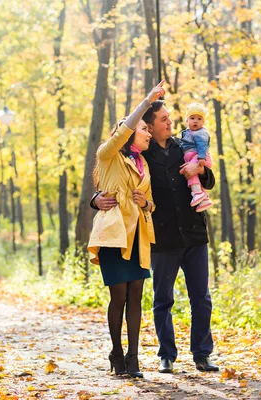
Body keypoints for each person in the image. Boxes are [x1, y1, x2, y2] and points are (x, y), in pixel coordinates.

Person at [93, 100, 219, 373]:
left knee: (202, 298)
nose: (170, 123)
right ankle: (167, 355)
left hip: (194, 233)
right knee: (163, 299)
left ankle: (202, 354)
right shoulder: (142, 154)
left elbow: (208, 182)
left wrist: (202, 170)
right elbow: (109, 178)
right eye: (164, 119)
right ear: (148, 126)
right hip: (162, 238)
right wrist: (95, 199)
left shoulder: (184, 146)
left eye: (170, 119)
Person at [87, 81, 166, 378]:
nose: (148, 132)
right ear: (129, 133)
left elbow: (152, 204)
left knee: (136, 296)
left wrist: (147, 203)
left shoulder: (143, 163)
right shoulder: (108, 155)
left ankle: (133, 359)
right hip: (113, 236)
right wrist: (148, 100)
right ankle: (116, 352)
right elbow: (127, 127)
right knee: (118, 297)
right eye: (143, 129)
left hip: (138, 237)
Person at [180, 102, 213, 212]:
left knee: (190, 170)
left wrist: (201, 157)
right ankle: (204, 199)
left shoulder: (200, 132)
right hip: (196, 156)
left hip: (200, 157)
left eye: (199, 119)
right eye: (192, 118)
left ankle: (197, 192)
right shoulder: (187, 133)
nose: (195, 121)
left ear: (203, 122)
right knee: (196, 175)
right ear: (187, 121)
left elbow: (202, 144)